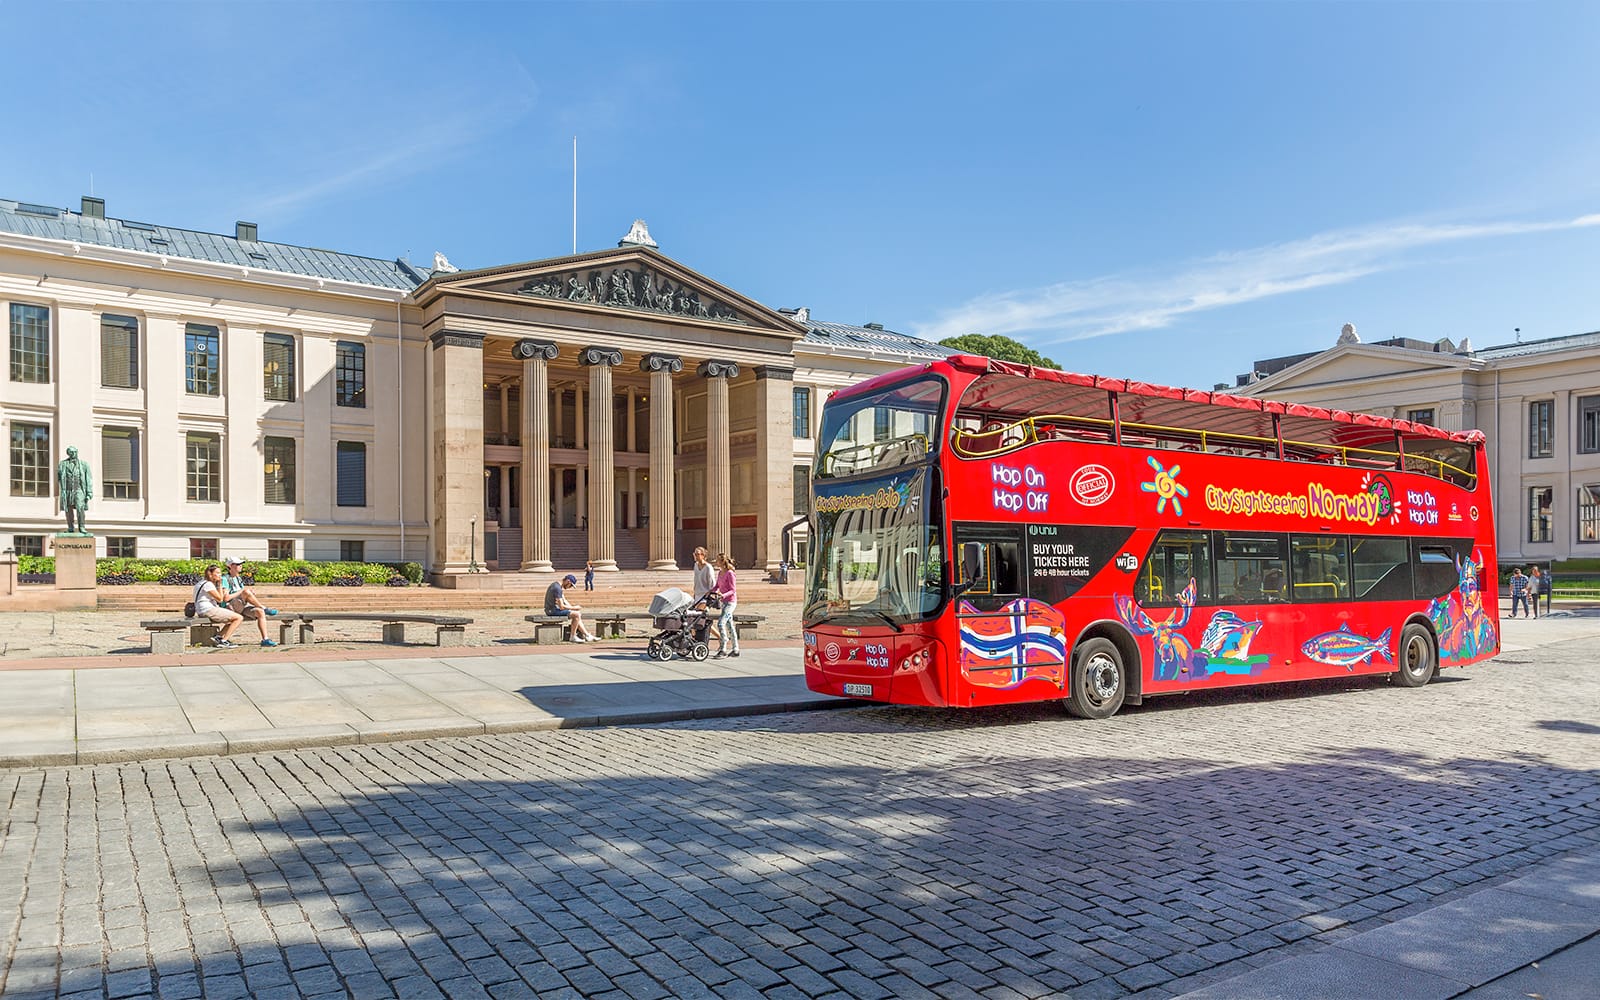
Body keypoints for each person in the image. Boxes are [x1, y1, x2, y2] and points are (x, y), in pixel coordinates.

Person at [222, 557, 280, 646]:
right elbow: (226, 598)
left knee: (259, 612)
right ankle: (263, 607)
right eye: (238, 564)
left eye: (241, 564)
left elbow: (242, 594)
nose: (241, 566)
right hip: (229, 607)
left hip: (241, 606)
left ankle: (265, 639)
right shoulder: (225, 579)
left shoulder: (238, 578)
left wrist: (247, 593)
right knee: (246, 592)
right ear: (231, 566)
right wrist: (242, 592)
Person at [192, 564, 244, 648]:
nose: (220, 575)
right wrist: (220, 584)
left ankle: (218, 637)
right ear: (210, 574)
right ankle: (223, 641)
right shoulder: (208, 584)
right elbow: (220, 599)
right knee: (238, 618)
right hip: (207, 609)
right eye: (217, 573)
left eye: (220, 573)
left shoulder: (201, 583)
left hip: (203, 609)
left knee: (231, 619)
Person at [545, 573, 596, 642]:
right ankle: (573, 636)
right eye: (571, 585)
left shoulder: (557, 585)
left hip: (552, 609)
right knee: (576, 614)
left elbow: (564, 601)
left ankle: (587, 635)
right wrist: (574, 608)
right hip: (552, 611)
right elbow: (562, 607)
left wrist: (572, 608)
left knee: (576, 614)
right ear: (568, 581)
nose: (570, 587)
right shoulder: (557, 589)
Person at [711, 552, 740, 658]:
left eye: (717, 560)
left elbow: (733, 590)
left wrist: (723, 595)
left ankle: (723, 648)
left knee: (721, 623)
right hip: (724, 602)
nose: (716, 562)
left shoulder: (730, 573)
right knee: (730, 625)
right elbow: (717, 586)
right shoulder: (720, 573)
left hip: (731, 602)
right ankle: (736, 649)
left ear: (722, 562)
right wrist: (711, 591)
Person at [692, 546, 720, 641]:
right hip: (697, 595)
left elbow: (712, 583)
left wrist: (710, 593)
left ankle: (720, 637)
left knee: (696, 619)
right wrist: (694, 593)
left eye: (698, 554)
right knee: (698, 620)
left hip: (705, 596)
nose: (696, 556)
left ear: (703, 555)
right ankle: (720, 637)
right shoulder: (696, 565)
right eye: (695, 554)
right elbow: (696, 580)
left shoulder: (708, 567)